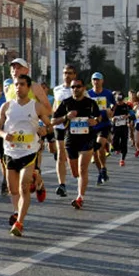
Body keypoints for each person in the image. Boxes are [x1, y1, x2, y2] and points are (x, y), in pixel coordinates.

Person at [0, 74, 49, 236]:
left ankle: (19, 222)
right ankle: (36, 184)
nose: (19, 87)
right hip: (11, 152)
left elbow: (49, 125)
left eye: (22, 84)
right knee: (13, 190)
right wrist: (4, 135)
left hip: (29, 151)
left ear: (29, 87)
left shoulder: (36, 107)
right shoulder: (6, 106)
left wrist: (44, 130)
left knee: (24, 187)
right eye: (16, 85)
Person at [50, 78, 99, 209]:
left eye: (78, 86)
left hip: (86, 139)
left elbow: (98, 117)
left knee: (83, 169)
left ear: (83, 88)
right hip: (70, 140)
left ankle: (80, 197)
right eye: (73, 87)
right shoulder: (66, 103)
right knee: (75, 172)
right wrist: (66, 117)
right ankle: (79, 184)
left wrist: (94, 121)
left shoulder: (91, 103)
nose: (75, 89)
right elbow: (53, 121)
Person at [51, 64, 76, 197]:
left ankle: (78, 176)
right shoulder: (57, 89)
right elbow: (55, 106)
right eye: (65, 73)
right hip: (60, 126)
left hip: (75, 127)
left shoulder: (80, 90)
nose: (67, 75)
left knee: (72, 155)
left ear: (74, 75)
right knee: (60, 154)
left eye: (70, 73)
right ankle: (62, 184)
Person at [86, 72, 115, 186]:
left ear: (102, 81)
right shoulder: (88, 94)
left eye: (98, 79)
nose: (96, 82)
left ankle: (103, 168)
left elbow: (113, 105)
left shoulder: (107, 93)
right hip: (92, 125)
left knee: (100, 145)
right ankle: (101, 171)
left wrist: (110, 111)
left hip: (104, 124)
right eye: (94, 79)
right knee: (94, 151)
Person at [111, 92, 131, 166]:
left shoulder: (126, 106)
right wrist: (113, 118)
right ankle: (118, 148)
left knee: (124, 143)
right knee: (114, 142)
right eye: (118, 101)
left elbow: (130, 114)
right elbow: (110, 115)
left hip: (124, 127)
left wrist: (127, 116)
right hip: (115, 127)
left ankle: (122, 159)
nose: (119, 102)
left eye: (121, 100)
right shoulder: (114, 106)